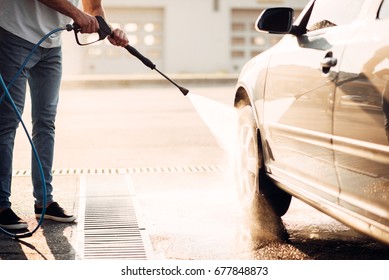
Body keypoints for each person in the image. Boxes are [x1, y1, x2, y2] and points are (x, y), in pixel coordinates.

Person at [0, 0, 129, 230]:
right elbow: (79, 13)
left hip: (51, 46)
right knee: (8, 120)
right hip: (14, 35)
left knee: (45, 122)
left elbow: (94, 9)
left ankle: (45, 202)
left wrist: (107, 29)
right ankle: (0, 205)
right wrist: (76, 14)